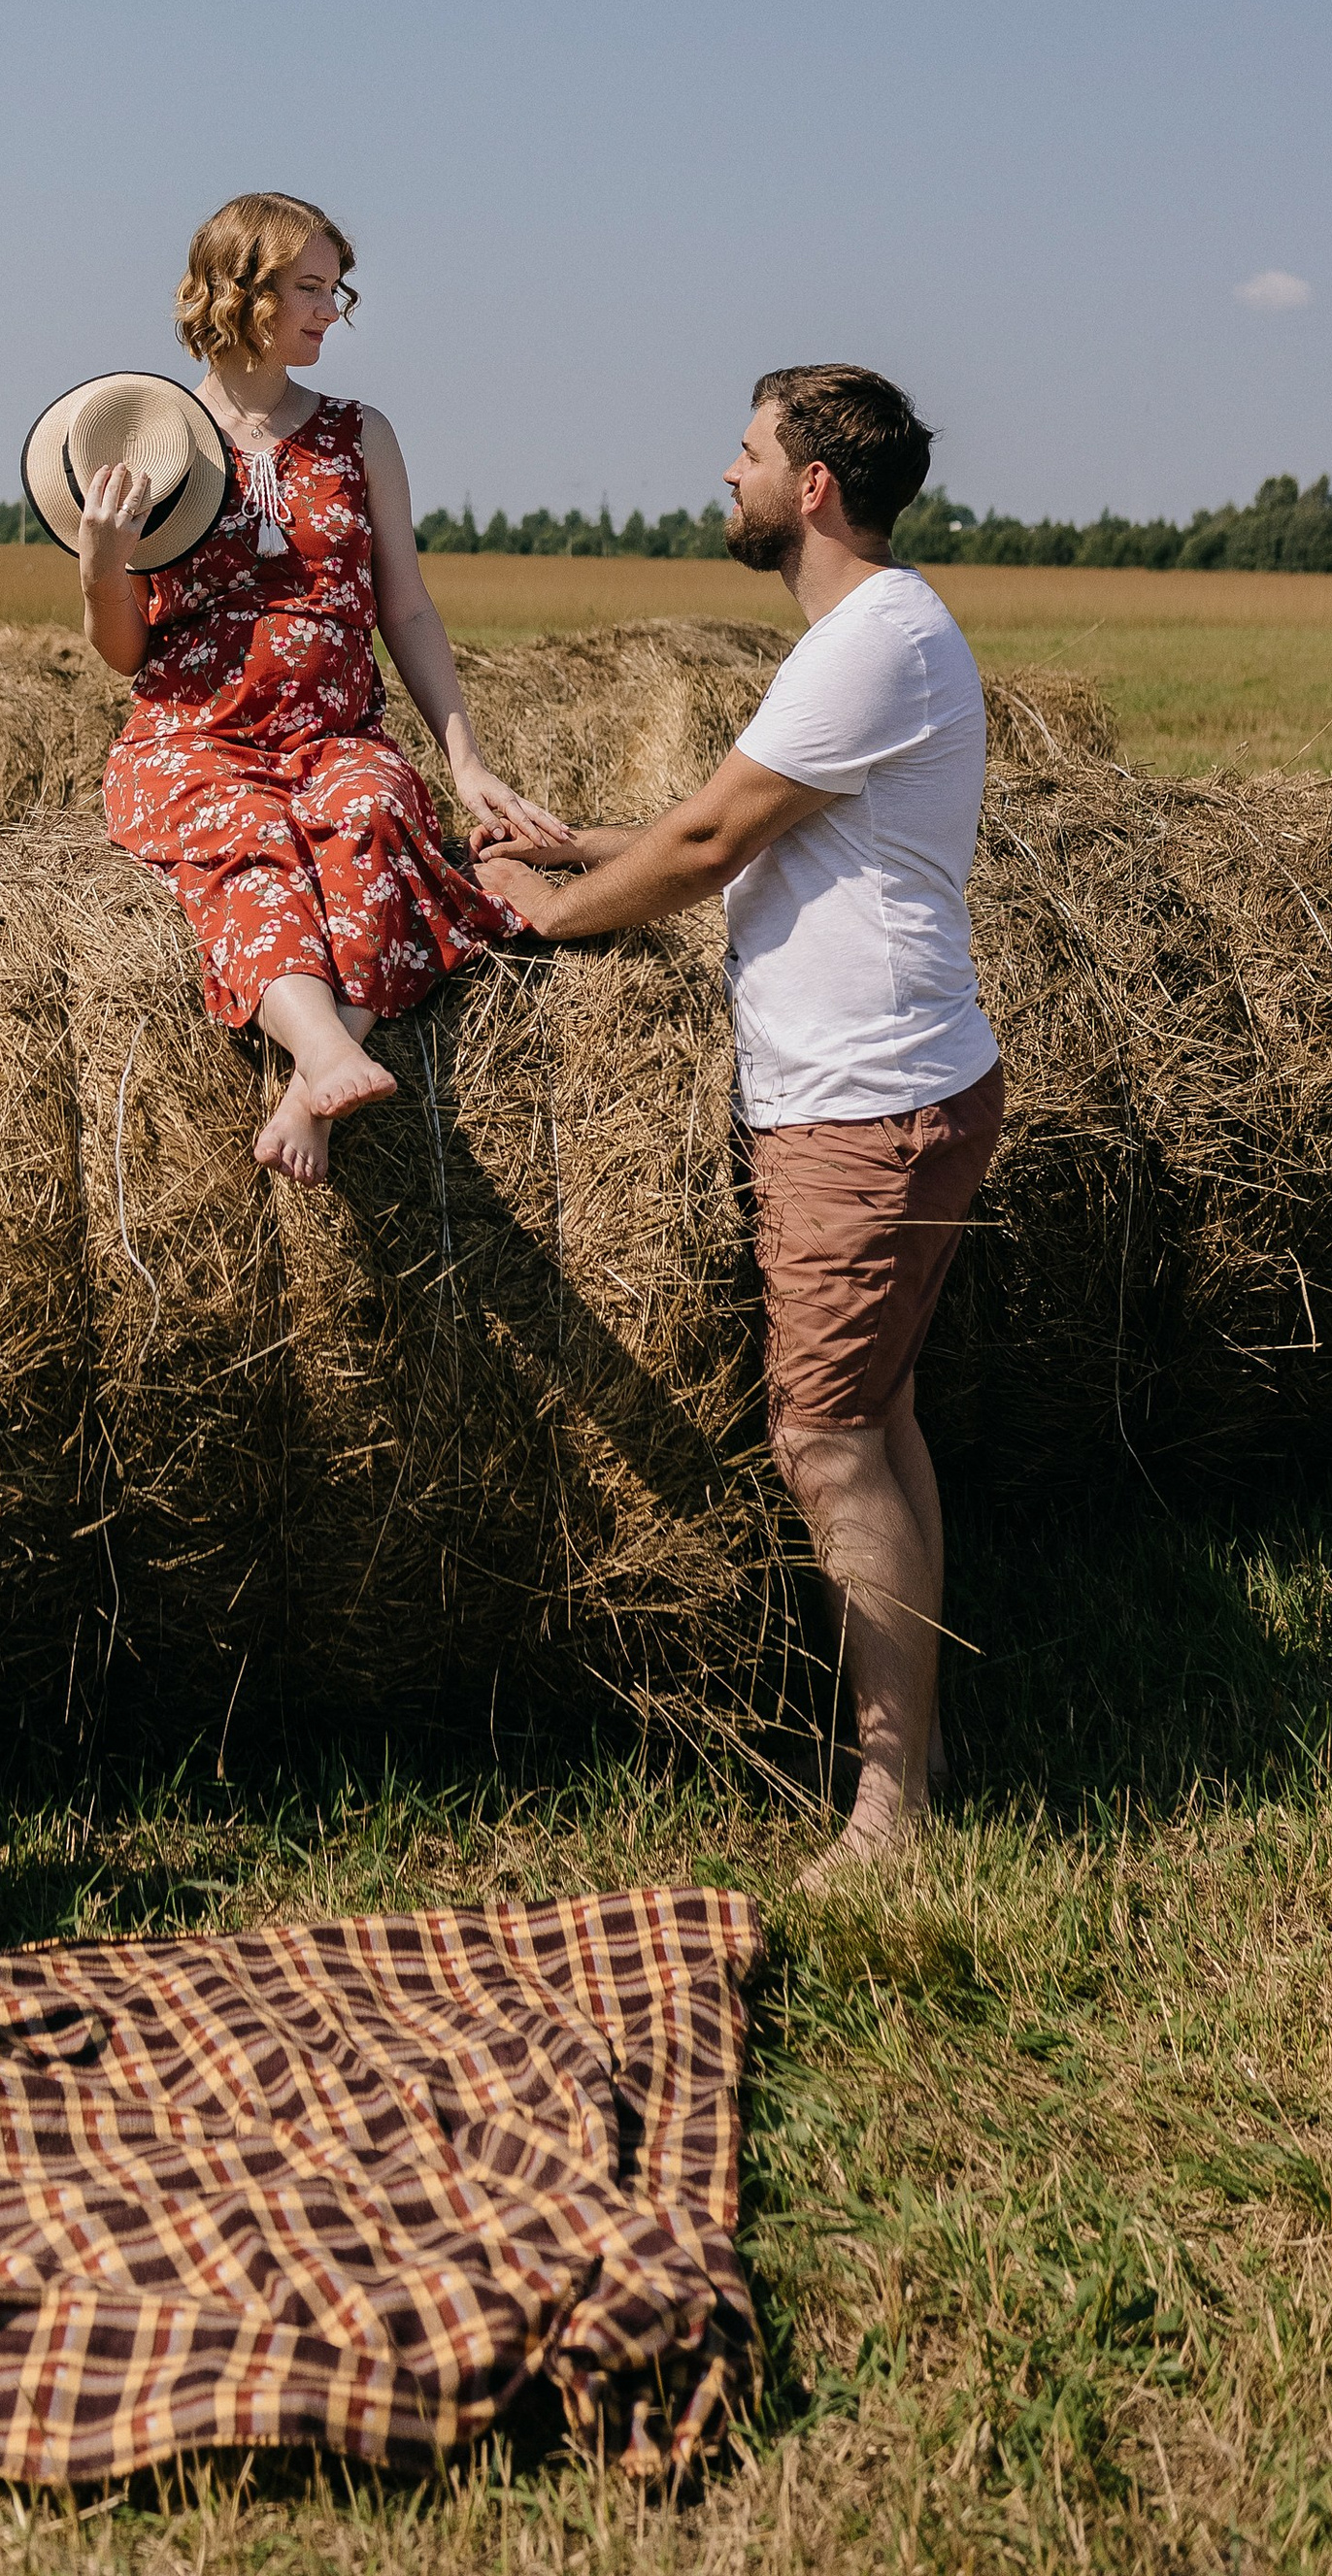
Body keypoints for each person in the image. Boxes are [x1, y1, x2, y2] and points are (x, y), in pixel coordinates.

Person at [476, 364, 1003, 1878]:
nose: (730, 471)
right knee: (878, 1419)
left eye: (752, 451)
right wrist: (580, 839)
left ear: (814, 486)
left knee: (824, 1438)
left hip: (869, 1102)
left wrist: (552, 918)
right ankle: (926, 1752)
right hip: (884, 1088)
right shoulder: (876, 634)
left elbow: (712, 843)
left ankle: (891, 1814)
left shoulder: (870, 641)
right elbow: (755, 818)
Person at [81, 192, 571, 1185]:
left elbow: (409, 610)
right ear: (237, 290)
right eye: (308, 288)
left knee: (381, 814)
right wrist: (99, 563)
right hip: (195, 739)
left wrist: (462, 759)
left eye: (333, 289)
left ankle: (315, 1077)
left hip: (335, 733)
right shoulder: (153, 439)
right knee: (251, 852)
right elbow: (124, 651)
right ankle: (330, 1051)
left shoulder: (359, 434)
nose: (329, 312)